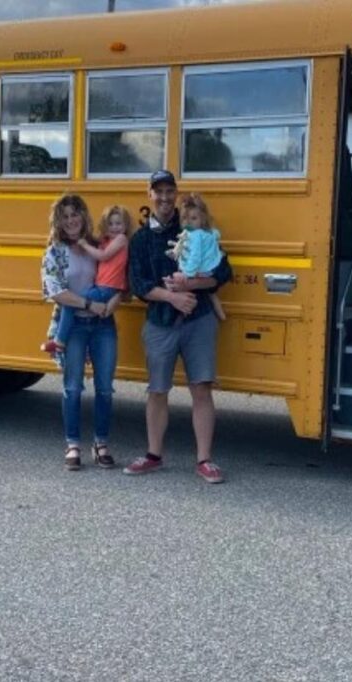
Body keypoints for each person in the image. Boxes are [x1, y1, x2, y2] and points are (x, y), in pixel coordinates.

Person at [124, 170, 232, 484]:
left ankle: (204, 459)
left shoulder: (194, 226)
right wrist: (173, 298)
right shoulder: (141, 239)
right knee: (158, 390)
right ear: (149, 194)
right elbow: (139, 284)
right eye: (158, 191)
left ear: (176, 194)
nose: (165, 198)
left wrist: (195, 284)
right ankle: (154, 455)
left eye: (170, 191)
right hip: (161, 321)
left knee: (201, 387)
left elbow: (223, 272)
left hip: (198, 320)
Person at [40, 194, 119, 471]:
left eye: (76, 214)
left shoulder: (98, 247)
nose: (71, 220)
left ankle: (101, 443)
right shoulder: (55, 252)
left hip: (102, 325)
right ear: (58, 221)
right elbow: (55, 291)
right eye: (65, 216)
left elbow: (118, 279)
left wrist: (112, 303)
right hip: (72, 326)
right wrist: (88, 304)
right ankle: (73, 444)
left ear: (84, 217)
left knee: (105, 388)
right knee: (73, 387)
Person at [41, 205, 131, 355]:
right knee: (72, 304)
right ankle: (61, 341)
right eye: (110, 223)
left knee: (71, 304)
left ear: (125, 225)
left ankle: (60, 341)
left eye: (118, 223)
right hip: (101, 287)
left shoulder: (121, 239)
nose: (114, 227)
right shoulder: (107, 242)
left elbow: (103, 256)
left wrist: (84, 245)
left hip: (106, 289)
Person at [167, 193, 226, 321]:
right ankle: (219, 311)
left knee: (179, 283)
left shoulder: (196, 235)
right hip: (209, 269)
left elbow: (195, 256)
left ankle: (186, 310)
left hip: (199, 270)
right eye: (184, 219)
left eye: (193, 219)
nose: (188, 222)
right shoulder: (207, 232)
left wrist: (187, 274)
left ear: (203, 219)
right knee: (211, 293)